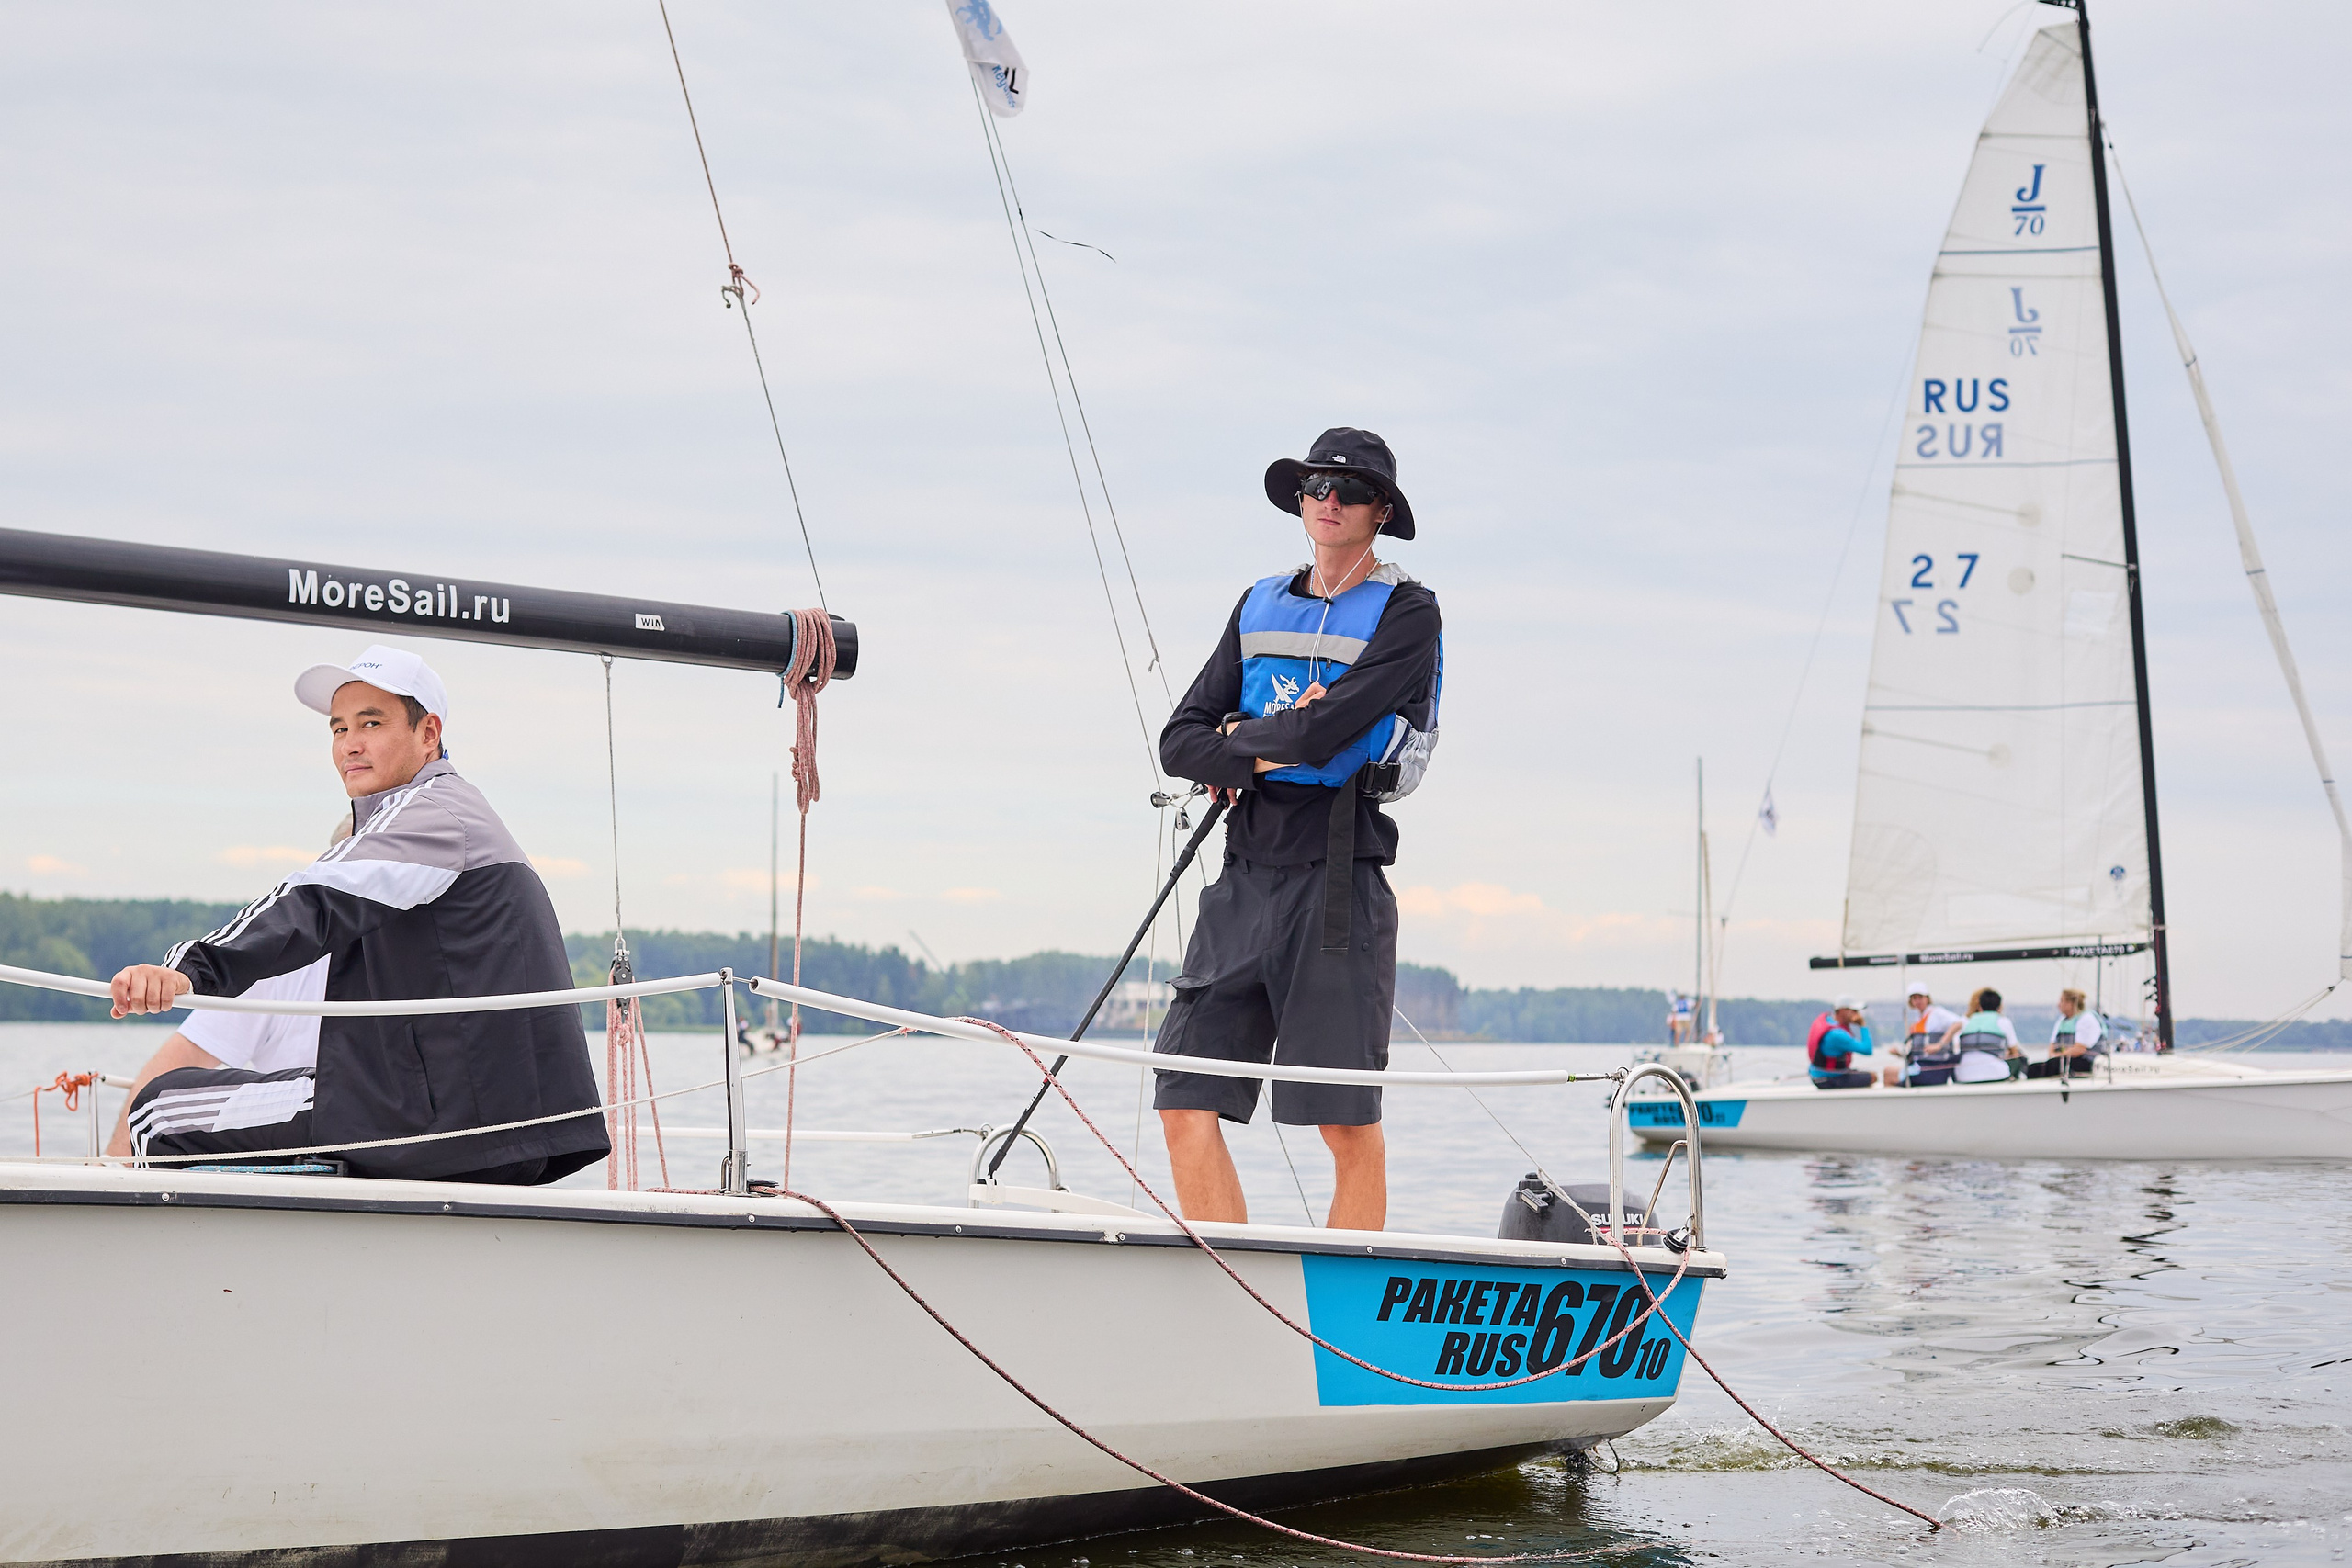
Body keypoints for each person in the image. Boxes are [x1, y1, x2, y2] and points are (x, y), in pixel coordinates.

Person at [110, 645, 609, 1184]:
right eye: (339, 729)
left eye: (371, 723)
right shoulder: (466, 816)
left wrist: (189, 970)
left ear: (428, 734)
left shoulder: (430, 811)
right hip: (506, 1124)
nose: (351, 745)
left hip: (433, 1120)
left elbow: (313, 901)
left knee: (156, 1111)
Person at [1153, 427, 1442, 1232]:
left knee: (1343, 1123)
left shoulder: (1409, 611)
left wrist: (1239, 739)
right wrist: (1270, 739)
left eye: (1348, 492)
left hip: (1340, 874)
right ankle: (1238, 1288)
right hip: (1243, 870)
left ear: (1380, 510)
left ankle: (1335, 1317)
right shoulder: (1256, 603)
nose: (1329, 501)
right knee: (1183, 1096)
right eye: (1316, 487)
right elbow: (1179, 741)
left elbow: (1330, 737)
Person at [1936, 987, 2020, 1083]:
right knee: (2017, 1060)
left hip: (1964, 1075)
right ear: (2000, 1007)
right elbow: (2015, 1053)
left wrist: (1939, 1044)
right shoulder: (2003, 1021)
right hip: (1996, 1074)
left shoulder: (1967, 1021)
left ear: (1980, 1007)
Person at [1885, 987, 1965, 1087]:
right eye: (1914, 998)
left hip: (1933, 1070)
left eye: (1920, 998)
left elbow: (1958, 1024)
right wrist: (1899, 1054)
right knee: (1889, 1073)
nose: (1917, 1001)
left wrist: (1939, 1045)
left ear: (1927, 998)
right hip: (1920, 1067)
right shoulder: (1918, 1018)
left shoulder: (1937, 1013)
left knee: (1888, 1073)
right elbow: (1916, 1056)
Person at [2022, 987, 2104, 1079]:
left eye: (2062, 1001)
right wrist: (2053, 1055)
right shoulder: (2062, 1020)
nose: (2058, 1005)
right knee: (2033, 1068)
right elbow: (2052, 1044)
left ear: (2071, 1004)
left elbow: (2079, 1049)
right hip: (2063, 1059)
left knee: (2054, 1065)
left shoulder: (2087, 1018)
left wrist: (2059, 1055)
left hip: (2085, 1061)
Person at [1805, 996, 1876, 1089]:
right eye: (1854, 1011)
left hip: (1818, 1075)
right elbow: (1867, 1050)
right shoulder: (1837, 1035)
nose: (1857, 1014)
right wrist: (1862, 1025)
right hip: (1827, 1079)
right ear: (1843, 1011)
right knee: (1873, 1077)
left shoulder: (1829, 1021)